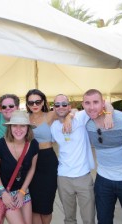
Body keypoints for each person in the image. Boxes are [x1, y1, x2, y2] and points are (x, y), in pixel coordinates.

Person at [82, 89, 122, 224]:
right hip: (103, 180)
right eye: (87, 103)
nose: (91, 107)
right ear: (83, 105)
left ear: (103, 103)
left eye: (96, 102)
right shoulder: (86, 122)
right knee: (104, 220)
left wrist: (109, 114)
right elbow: (70, 113)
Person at [26, 89, 74, 224]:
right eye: (31, 102)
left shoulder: (51, 115)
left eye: (38, 101)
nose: (34, 104)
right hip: (30, 161)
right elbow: (7, 113)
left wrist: (69, 118)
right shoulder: (25, 117)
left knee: (46, 206)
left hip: (47, 161)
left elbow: (71, 110)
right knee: (34, 205)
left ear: (43, 102)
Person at [51, 94, 96, 224]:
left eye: (64, 104)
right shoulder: (53, 126)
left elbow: (102, 106)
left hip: (83, 177)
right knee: (69, 218)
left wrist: (70, 116)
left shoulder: (80, 117)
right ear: (53, 108)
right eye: (57, 105)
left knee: (89, 218)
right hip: (63, 178)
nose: (61, 107)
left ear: (69, 106)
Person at [0, 110, 39, 224]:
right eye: (14, 125)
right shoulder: (0, 144)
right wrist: (3, 193)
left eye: (22, 125)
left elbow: (32, 169)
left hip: (22, 190)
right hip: (3, 190)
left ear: (28, 128)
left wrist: (22, 191)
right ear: (10, 127)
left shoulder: (33, 144)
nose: (18, 129)